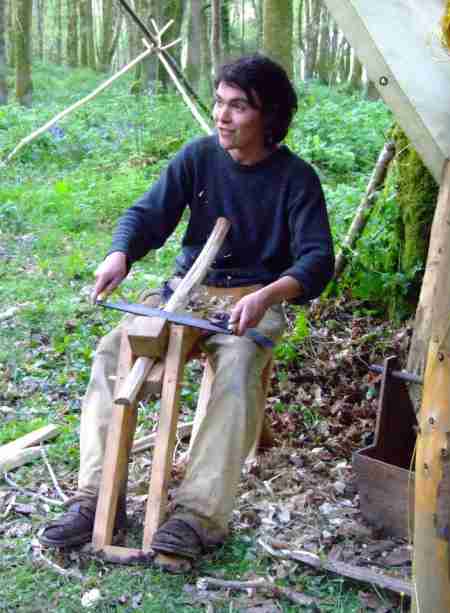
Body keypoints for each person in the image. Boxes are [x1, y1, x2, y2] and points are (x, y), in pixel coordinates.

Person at [39, 54, 334, 565]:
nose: (222, 116)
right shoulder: (197, 158)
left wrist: (267, 295)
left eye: (238, 106)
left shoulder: (296, 179)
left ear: (270, 115)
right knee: (113, 354)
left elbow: (316, 259)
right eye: (219, 103)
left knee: (238, 369)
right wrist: (120, 254)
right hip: (186, 292)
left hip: (252, 297)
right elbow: (147, 214)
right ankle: (95, 499)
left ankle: (197, 516)